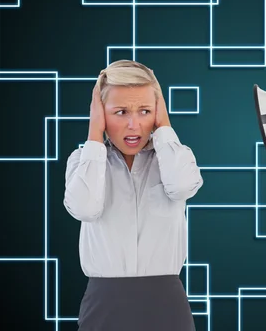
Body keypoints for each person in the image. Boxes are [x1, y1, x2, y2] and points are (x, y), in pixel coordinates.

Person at [64, 59, 203, 331]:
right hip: (104, 303)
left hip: (166, 304)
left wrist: (164, 127)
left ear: (158, 112)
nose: (133, 124)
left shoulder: (174, 157)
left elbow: (183, 187)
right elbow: (84, 208)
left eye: (144, 111)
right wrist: (94, 133)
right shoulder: (84, 161)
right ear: (101, 113)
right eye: (120, 112)